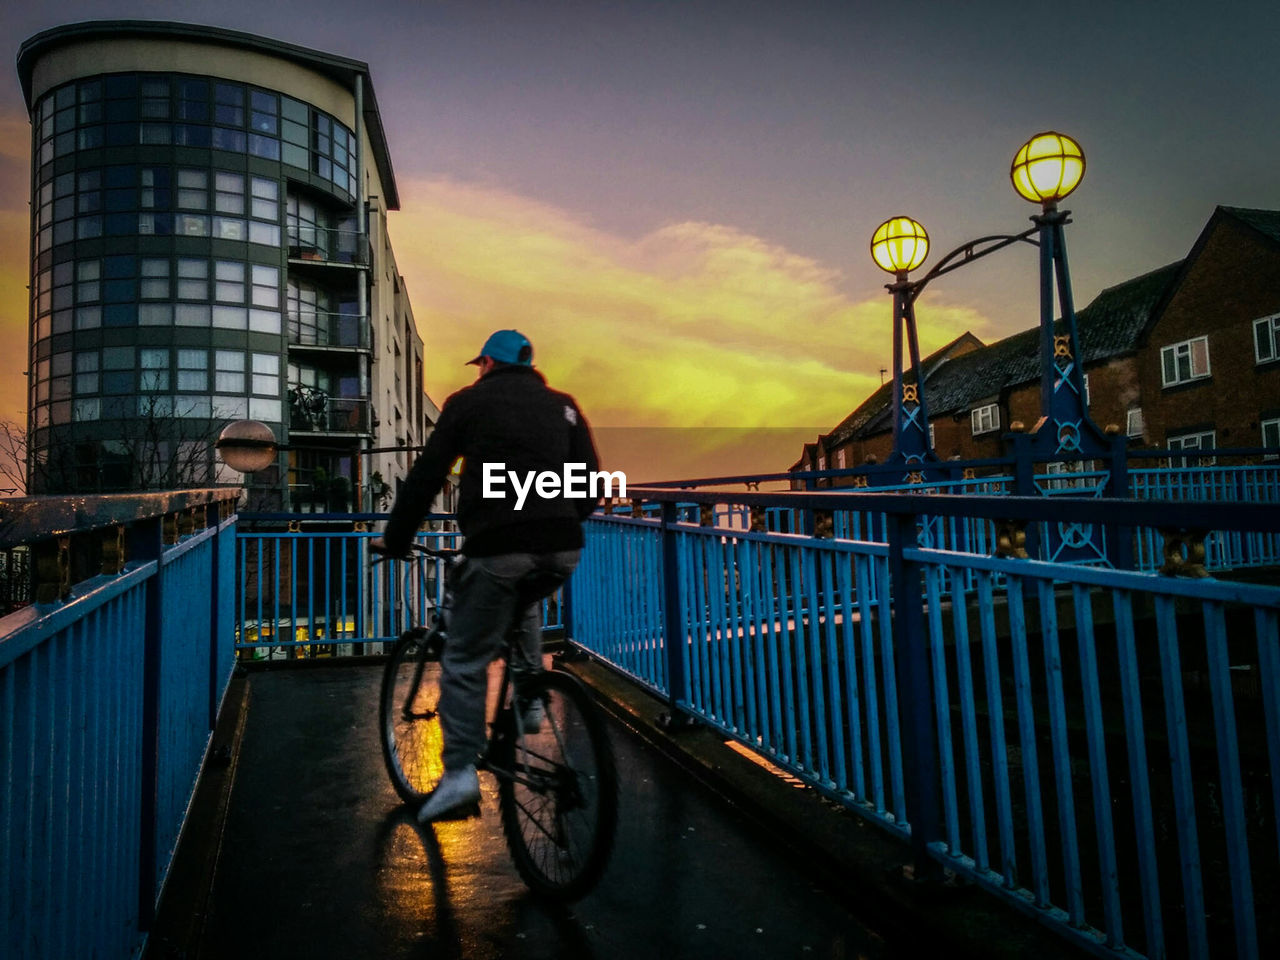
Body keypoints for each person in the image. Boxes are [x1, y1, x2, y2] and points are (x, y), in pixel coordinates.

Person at [370, 329, 601, 822]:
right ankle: (532, 696)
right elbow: (591, 478)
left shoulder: (469, 403)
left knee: (465, 658)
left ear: (489, 365)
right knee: (528, 591)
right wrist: (557, 522)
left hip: (497, 546)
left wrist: (395, 538)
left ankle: (456, 777)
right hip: (563, 546)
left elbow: (428, 474)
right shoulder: (563, 404)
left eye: (480, 366)